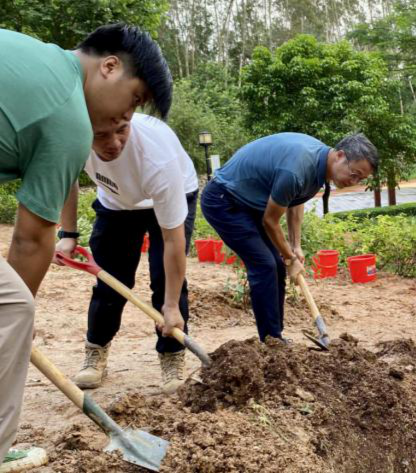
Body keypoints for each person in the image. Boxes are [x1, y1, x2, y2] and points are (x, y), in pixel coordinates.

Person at [0, 24, 172, 467]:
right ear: (109, 67)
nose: (124, 117)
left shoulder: (34, 55)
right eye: (133, 100)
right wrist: (14, 323)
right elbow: (30, 239)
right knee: (13, 307)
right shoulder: (69, 116)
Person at [56, 113, 199, 395]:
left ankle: (172, 354)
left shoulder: (158, 160)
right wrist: (68, 234)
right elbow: (67, 179)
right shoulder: (71, 137)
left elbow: (173, 241)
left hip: (172, 194)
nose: (114, 143)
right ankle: (96, 350)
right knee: (110, 281)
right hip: (116, 203)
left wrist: (170, 306)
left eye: (122, 130)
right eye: (101, 135)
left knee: (166, 281)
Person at [201, 132, 379, 342]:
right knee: (265, 265)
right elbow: (270, 221)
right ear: (340, 155)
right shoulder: (297, 169)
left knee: (276, 265)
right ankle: (271, 340)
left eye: (361, 179)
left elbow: (296, 201)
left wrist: (295, 247)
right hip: (225, 200)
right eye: (354, 174)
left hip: (249, 203)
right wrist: (290, 258)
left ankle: (275, 337)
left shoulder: (319, 164)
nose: (354, 181)